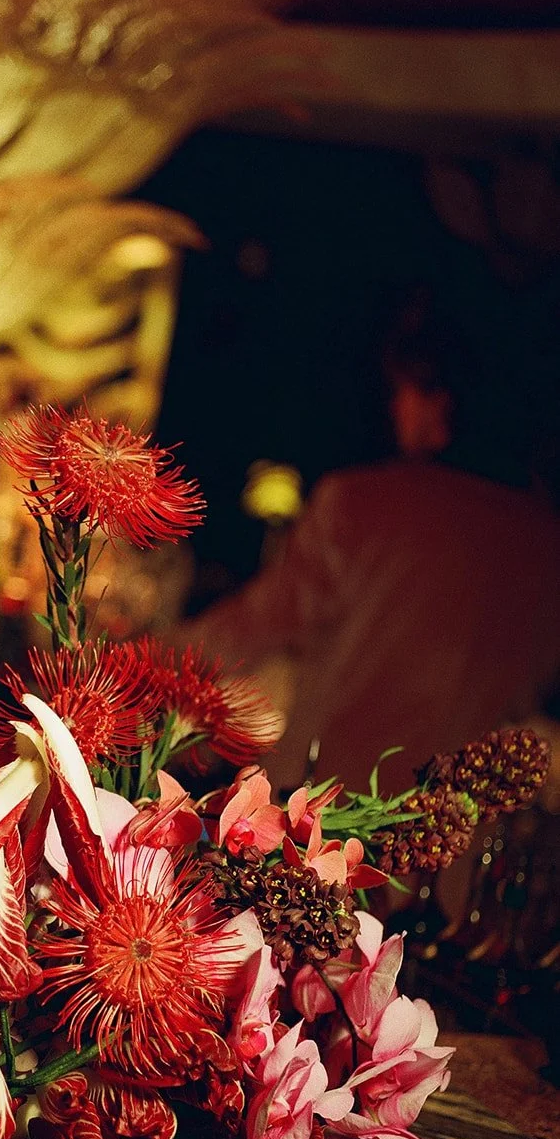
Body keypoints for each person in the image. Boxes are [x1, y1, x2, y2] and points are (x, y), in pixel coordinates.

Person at [187, 325, 560, 797]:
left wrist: (135, 660)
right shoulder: (546, 544)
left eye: (401, 392)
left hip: (325, 823)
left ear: (437, 403)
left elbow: (250, 629)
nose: (394, 408)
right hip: (457, 849)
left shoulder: (359, 505)